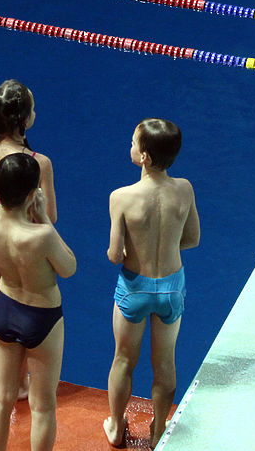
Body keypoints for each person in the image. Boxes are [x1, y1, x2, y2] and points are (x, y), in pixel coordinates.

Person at [104, 119, 200, 449]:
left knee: (123, 360)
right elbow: (193, 238)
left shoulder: (121, 197)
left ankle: (116, 426)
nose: (129, 146)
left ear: (144, 156)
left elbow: (114, 255)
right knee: (165, 362)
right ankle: (159, 430)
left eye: (133, 142)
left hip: (134, 288)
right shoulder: (185, 189)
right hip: (171, 288)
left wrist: (132, 249)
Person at [0, 153, 76, 451]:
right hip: (42, 318)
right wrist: (43, 217)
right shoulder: (41, 236)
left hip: (5, 311)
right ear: (33, 194)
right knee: (43, 406)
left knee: (0, 398)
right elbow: (69, 267)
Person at [0, 79, 57, 396]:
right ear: (24, 119)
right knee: (19, 312)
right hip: (19, 247)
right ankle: (18, 383)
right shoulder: (38, 162)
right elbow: (49, 216)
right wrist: (14, 214)